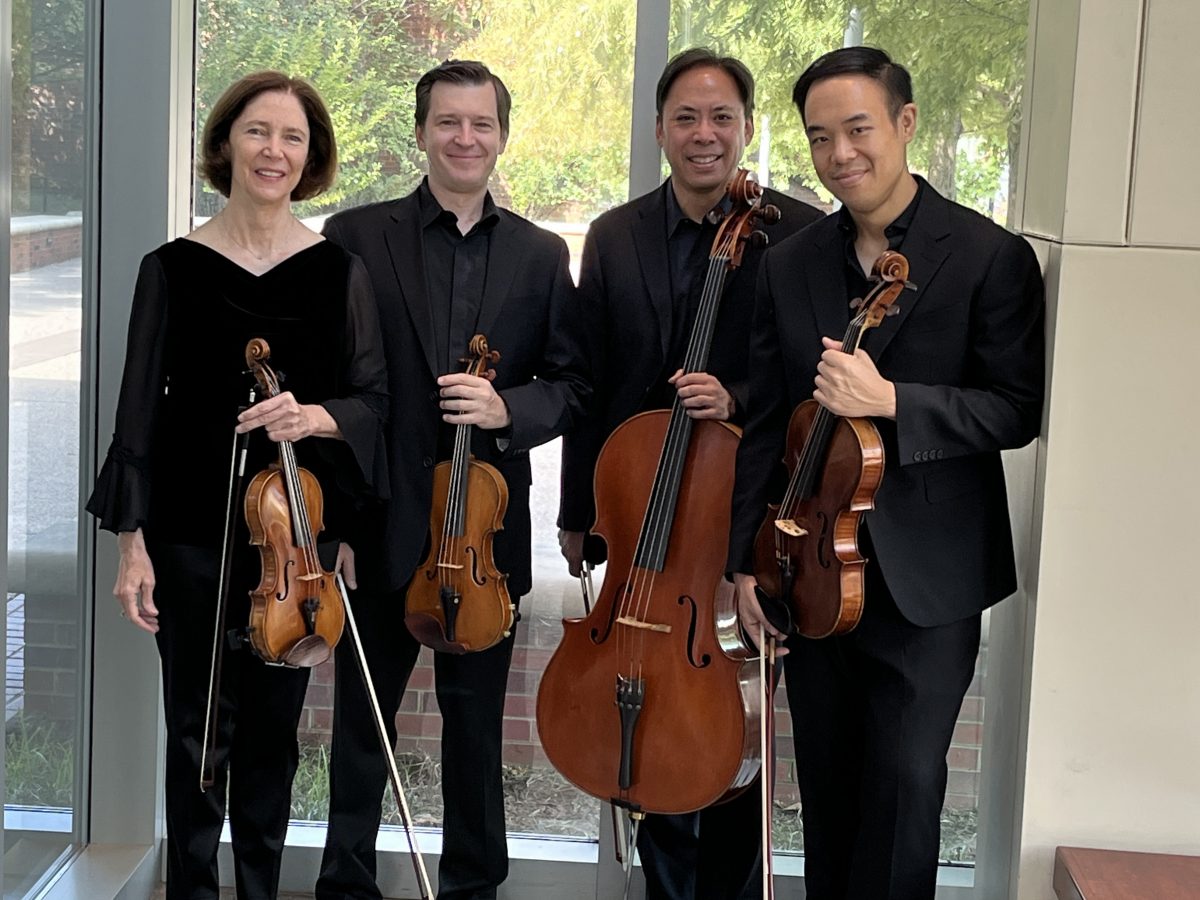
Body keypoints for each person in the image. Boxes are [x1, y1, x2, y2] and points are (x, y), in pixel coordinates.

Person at [728, 47, 1044, 900]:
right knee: (828, 792)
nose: (841, 156)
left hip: (928, 577)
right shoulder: (789, 263)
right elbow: (764, 423)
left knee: (906, 788)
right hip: (811, 574)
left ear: (905, 124)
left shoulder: (989, 256)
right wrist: (746, 563)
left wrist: (894, 400)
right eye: (821, 137)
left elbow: (1016, 411)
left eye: (858, 129)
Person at [86, 71, 389, 900]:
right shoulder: (173, 267)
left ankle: (259, 886)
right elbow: (137, 413)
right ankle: (192, 887)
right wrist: (131, 545)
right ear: (226, 144)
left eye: (292, 138)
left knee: (272, 735)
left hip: (295, 539)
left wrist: (313, 418)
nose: (274, 151)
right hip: (186, 534)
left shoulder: (338, 272)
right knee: (194, 730)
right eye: (259, 132)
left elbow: (371, 404)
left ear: (311, 157)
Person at [315, 60, 588, 900]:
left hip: (484, 532)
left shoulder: (542, 254)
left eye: (482, 124)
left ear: (502, 135)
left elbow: (575, 382)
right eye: (448, 122)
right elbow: (332, 389)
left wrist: (509, 410)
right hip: (378, 520)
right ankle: (346, 884)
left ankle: (475, 887)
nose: (465, 138)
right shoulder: (356, 236)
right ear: (422, 131)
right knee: (363, 723)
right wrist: (329, 534)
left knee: (476, 728)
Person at [558, 48, 822, 900]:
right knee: (651, 724)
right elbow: (589, 383)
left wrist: (735, 393)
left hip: (747, 509)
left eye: (722, 118)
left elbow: (809, 373)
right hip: (640, 507)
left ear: (746, 127)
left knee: (733, 730)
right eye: (686, 118)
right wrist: (577, 511)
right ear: (661, 128)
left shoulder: (802, 228)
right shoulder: (614, 233)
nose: (704, 135)